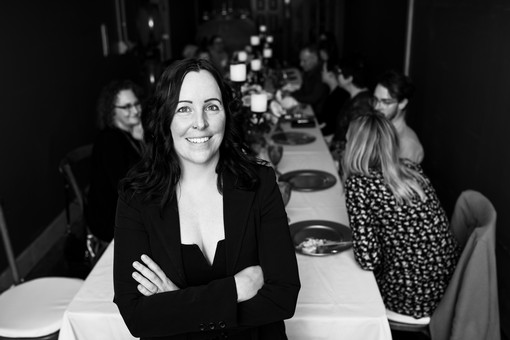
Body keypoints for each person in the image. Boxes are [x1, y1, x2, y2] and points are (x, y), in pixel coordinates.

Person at [113, 58, 300, 340]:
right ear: (165, 119)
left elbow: (282, 297)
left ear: (226, 113)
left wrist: (179, 301)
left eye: (211, 106)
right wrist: (236, 289)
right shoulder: (136, 198)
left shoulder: (259, 183)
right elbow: (137, 317)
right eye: (184, 109)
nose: (200, 123)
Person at [342, 109, 460, 319]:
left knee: (344, 288)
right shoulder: (411, 168)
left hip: (410, 298)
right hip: (448, 290)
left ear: (354, 147)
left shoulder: (358, 184)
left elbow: (368, 259)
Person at [86, 80, 144, 242]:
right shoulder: (110, 141)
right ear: (112, 111)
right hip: (110, 218)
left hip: (127, 208)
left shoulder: (132, 133)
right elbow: (125, 187)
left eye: (136, 104)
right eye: (126, 107)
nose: (135, 111)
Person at [373, 70, 424, 164]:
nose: (377, 107)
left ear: (402, 103)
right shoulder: (377, 128)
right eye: (375, 100)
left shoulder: (407, 144)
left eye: (386, 102)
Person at [284, 44, 329, 115]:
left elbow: (312, 98)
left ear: (314, 59)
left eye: (304, 61)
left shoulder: (321, 73)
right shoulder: (308, 71)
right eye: (300, 60)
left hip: (317, 116)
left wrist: (291, 95)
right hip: (308, 109)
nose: (301, 64)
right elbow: (303, 90)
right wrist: (290, 93)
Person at [318, 60, 349, 136]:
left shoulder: (340, 96)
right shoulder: (328, 91)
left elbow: (332, 126)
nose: (321, 72)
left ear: (331, 74)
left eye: (323, 70)